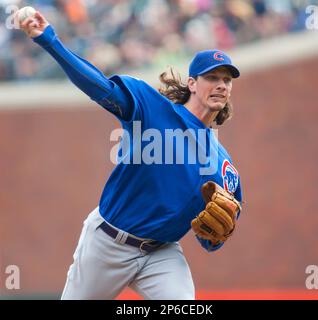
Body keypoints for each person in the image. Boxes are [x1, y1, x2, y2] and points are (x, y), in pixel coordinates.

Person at [18, 11, 243, 300]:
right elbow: (98, 87)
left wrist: (213, 237)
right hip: (108, 242)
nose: (221, 85)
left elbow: (212, 240)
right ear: (192, 84)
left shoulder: (223, 167)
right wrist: (50, 41)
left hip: (161, 253)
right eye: (212, 77)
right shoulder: (153, 109)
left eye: (227, 80)